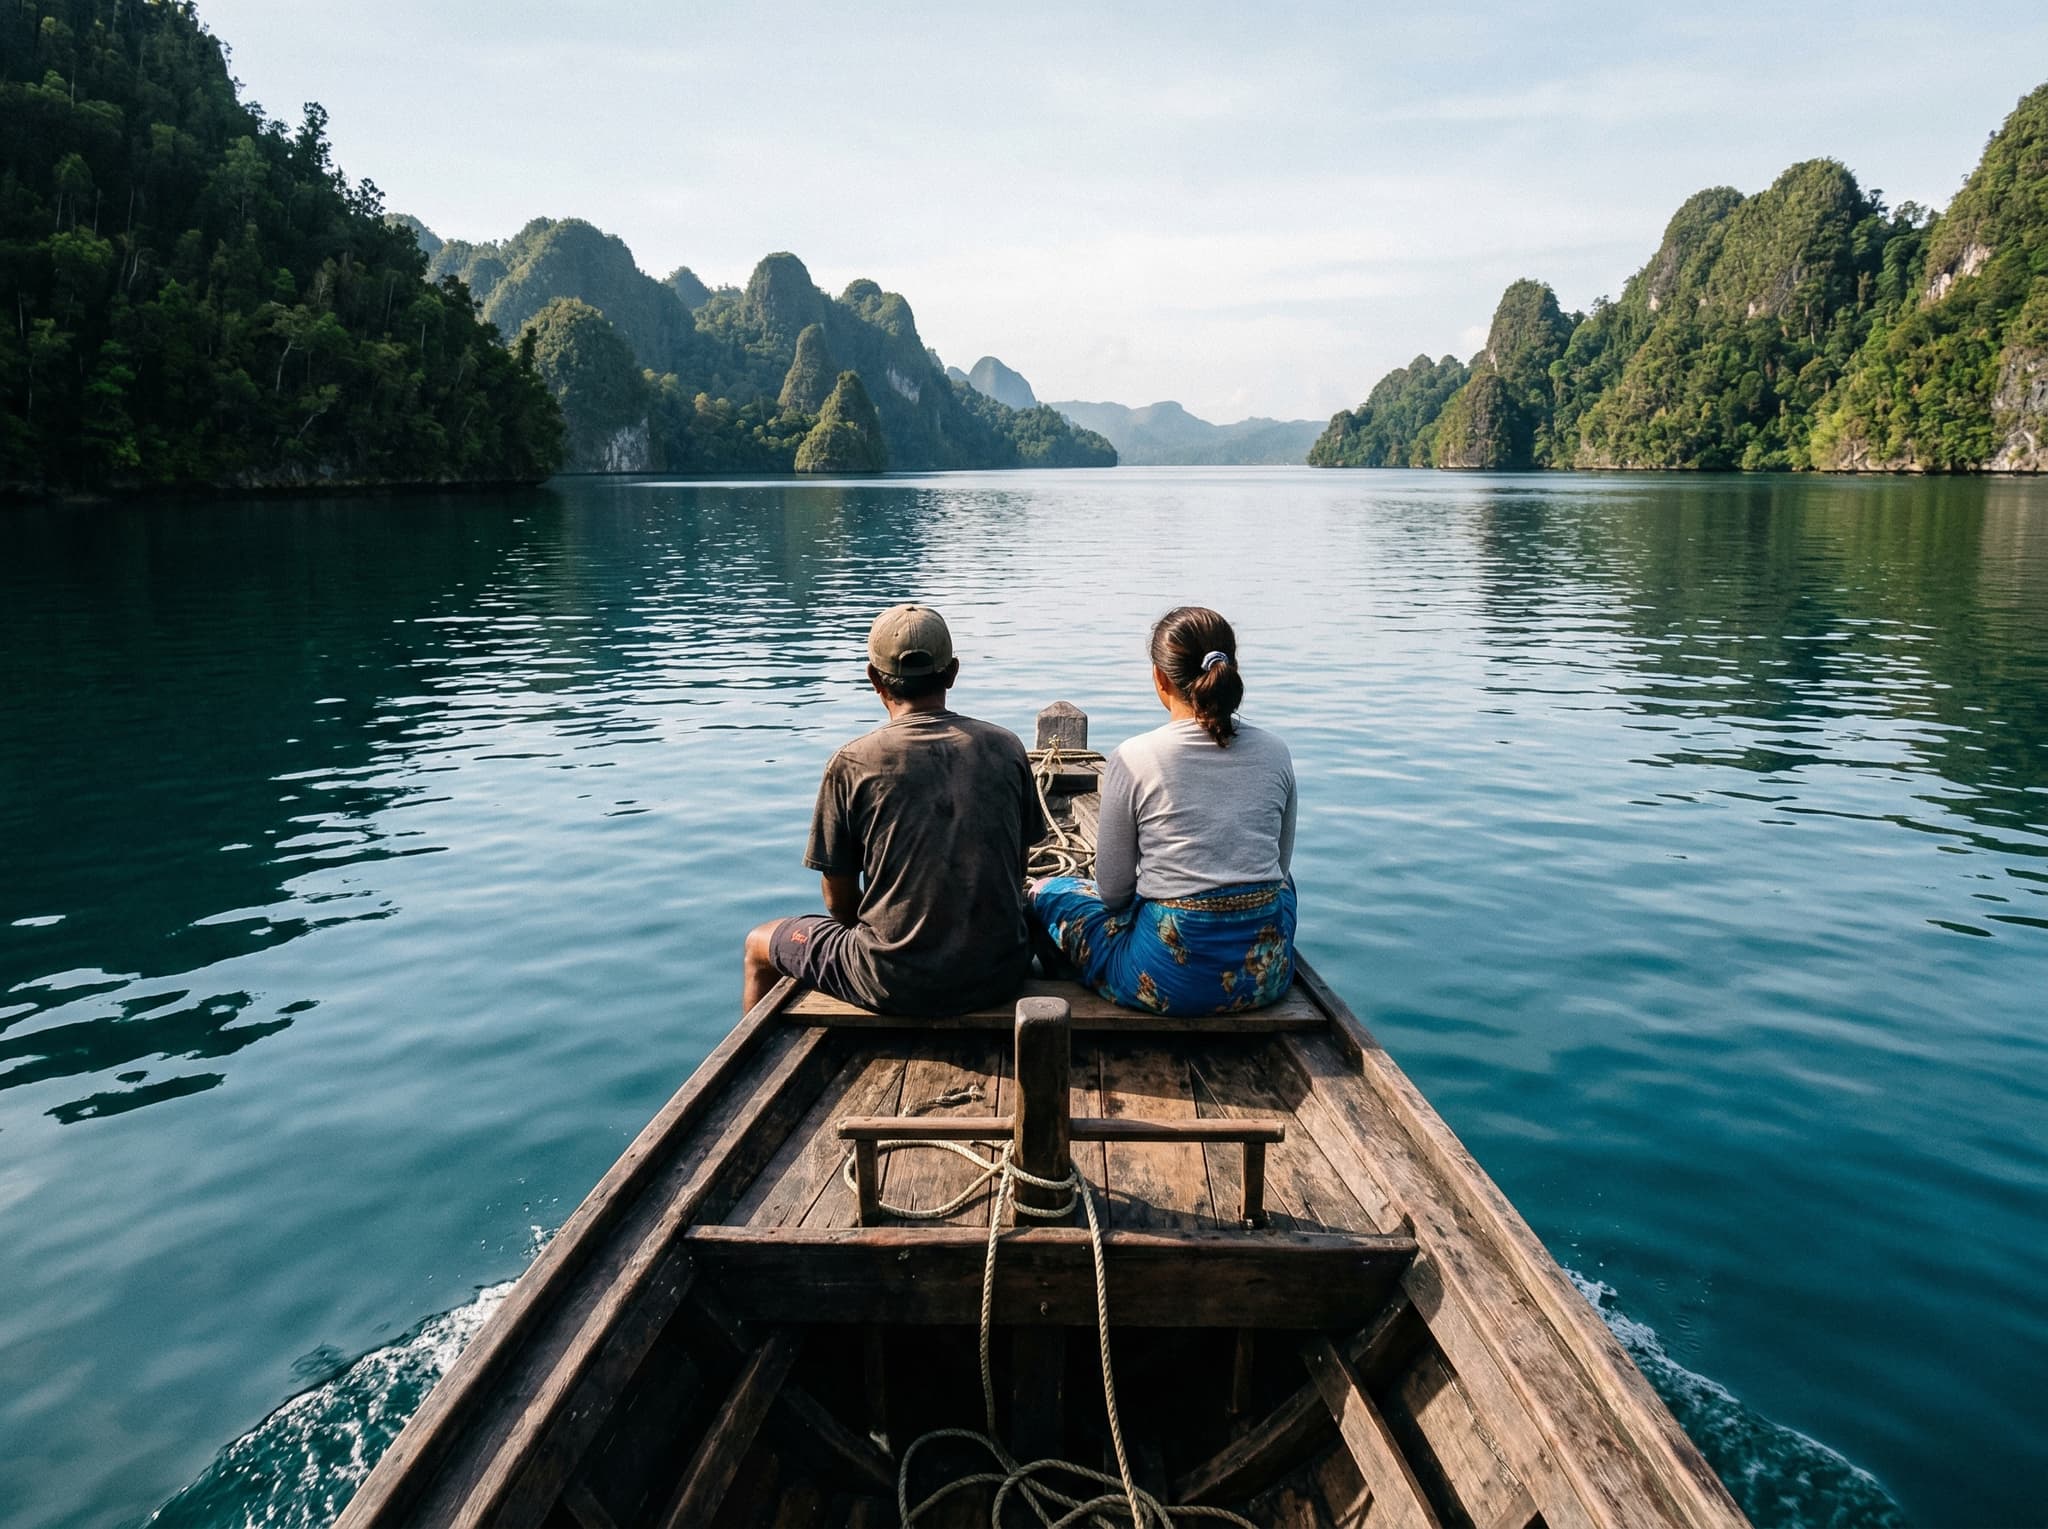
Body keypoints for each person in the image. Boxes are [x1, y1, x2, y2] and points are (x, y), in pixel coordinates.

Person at [742, 602, 1046, 1016]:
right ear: (953, 672)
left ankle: (751, 1072)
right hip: (999, 974)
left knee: (759, 943)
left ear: (873, 679)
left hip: (892, 982)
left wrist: (889, 946)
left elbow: (838, 904)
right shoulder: (1006, 746)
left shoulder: (852, 762)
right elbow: (1018, 869)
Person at [1030, 606, 1297, 1016]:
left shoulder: (1136, 757)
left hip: (1169, 982)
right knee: (1285, 884)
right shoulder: (1277, 752)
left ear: (1160, 678)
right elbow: (1279, 867)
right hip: (1266, 978)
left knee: (1050, 893)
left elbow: (1113, 894)